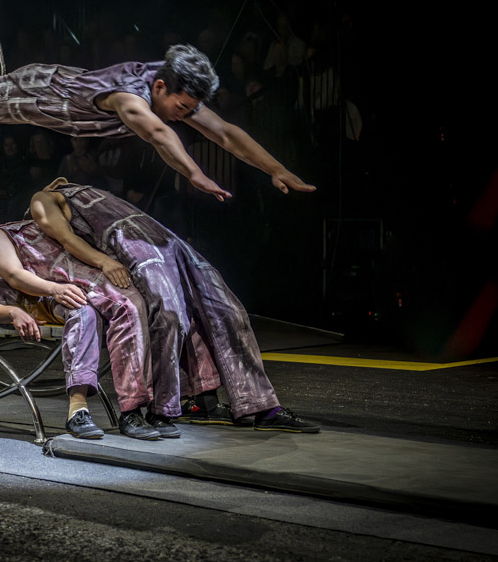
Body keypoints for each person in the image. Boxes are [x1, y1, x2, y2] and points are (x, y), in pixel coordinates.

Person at [29, 178, 320, 433]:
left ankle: (259, 406)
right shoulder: (43, 198)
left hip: (167, 239)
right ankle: (161, 410)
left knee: (228, 312)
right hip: (134, 247)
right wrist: (105, 262)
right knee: (171, 318)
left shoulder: (81, 190)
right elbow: (66, 239)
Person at [0, 44, 316, 202]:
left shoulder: (171, 89)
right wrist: (196, 175)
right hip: (42, 91)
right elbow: (160, 134)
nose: (185, 116)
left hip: (62, 111)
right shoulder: (132, 99)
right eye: (182, 107)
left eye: (190, 109)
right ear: (161, 87)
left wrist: (275, 169)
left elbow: (225, 132)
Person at [0, 221, 171, 441]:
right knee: (83, 312)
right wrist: (11, 313)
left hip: (53, 284)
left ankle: (151, 411)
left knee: (133, 311)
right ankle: (78, 411)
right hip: (44, 300)